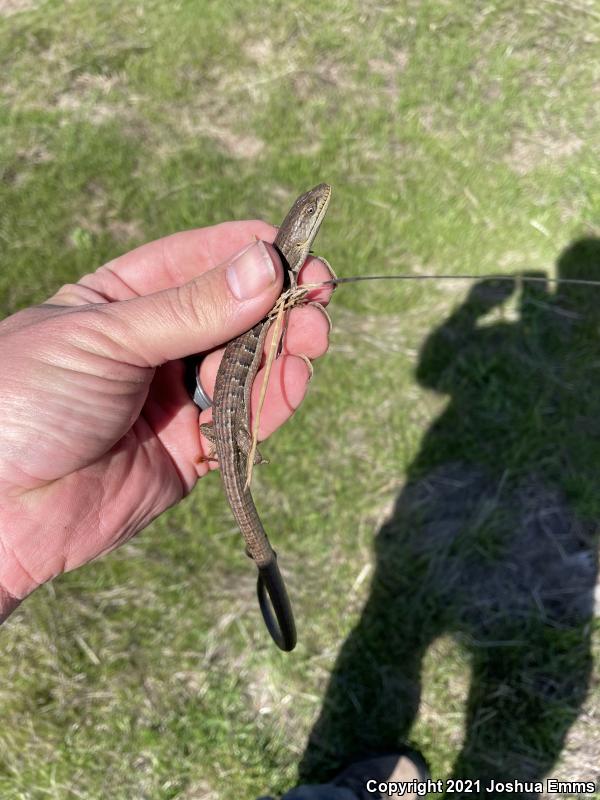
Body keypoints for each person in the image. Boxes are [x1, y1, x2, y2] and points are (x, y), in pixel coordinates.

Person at [0, 221, 427, 799]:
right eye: (315, 213)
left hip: (206, 423)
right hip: (215, 420)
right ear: (302, 231)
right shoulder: (268, 274)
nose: (320, 215)